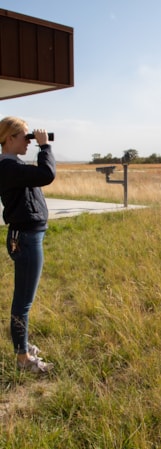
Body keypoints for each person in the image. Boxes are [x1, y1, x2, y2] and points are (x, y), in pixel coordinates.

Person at [0, 116, 56, 373]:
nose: (28, 141)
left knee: (24, 299)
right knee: (23, 301)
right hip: (25, 238)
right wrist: (44, 147)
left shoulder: (13, 166)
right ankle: (23, 358)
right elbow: (47, 174)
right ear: (9, 138)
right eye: (25, 136)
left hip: (25, 236)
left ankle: (23, 345)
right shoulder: (8, 168)